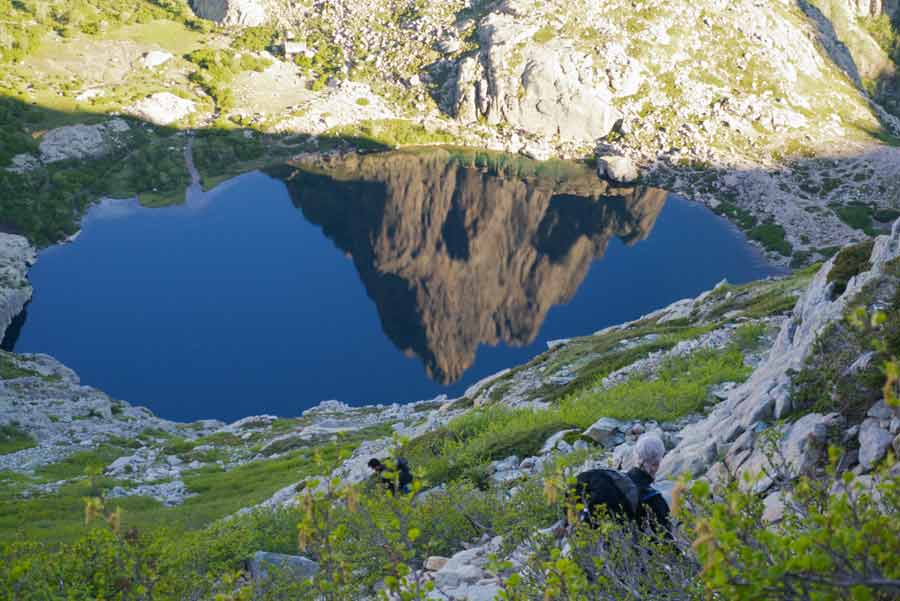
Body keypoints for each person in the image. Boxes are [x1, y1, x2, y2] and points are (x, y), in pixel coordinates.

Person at [566, 433, 670, 535]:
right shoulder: (655, 500)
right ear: (657, 464)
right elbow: (666, 540)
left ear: (636, 456)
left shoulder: (611, 481)